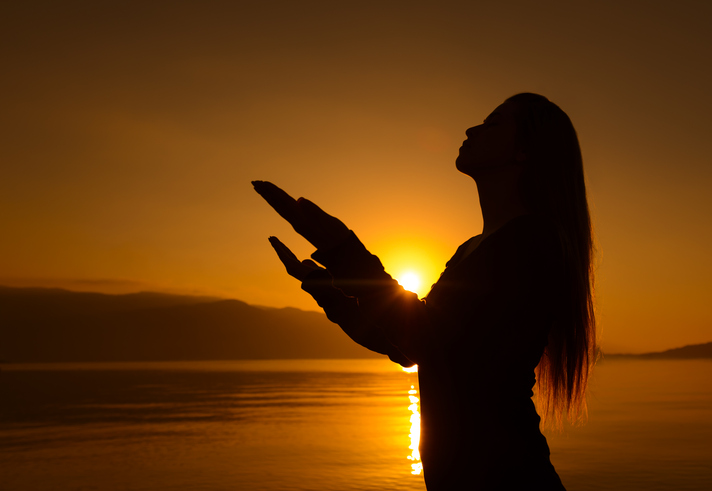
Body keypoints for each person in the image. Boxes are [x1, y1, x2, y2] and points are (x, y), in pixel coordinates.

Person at [252, 92, 596, 490]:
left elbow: (426, 337)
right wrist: (325, 289)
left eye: (494, 122)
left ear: (524, 151)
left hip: (507, 477)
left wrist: (340, 247)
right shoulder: (473, 248)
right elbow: (408, 346)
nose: (472, 128)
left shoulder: (532, 241)